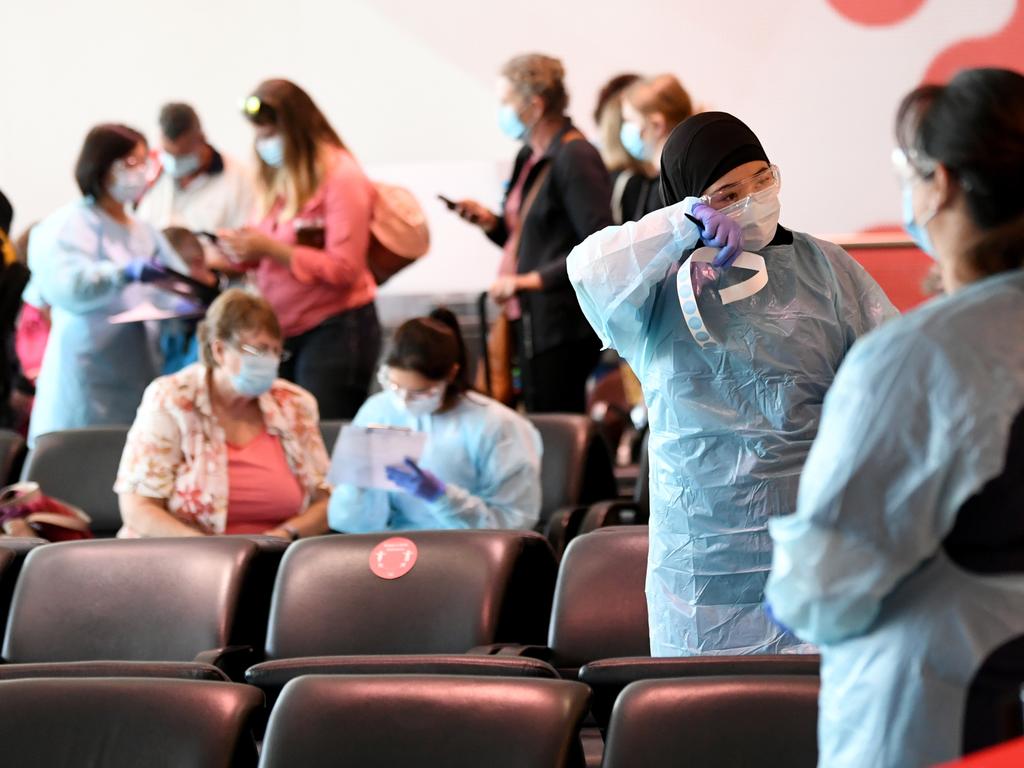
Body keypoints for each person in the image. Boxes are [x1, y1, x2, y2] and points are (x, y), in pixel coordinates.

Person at [765, 68, 1024, 768]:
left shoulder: (918, 358)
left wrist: (784, 591)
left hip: (944, 712)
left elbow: (826, 587)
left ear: (939, 182)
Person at [567, 111, 897, 657]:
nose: (752, 198)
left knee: (805, 709)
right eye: (726, 193)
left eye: (761, 179)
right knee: (703, 710)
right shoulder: (657, 290)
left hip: (810, 533)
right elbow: (588, 271)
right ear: (689, 200)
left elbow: (893, 373)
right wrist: (681, 226)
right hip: (701, 551)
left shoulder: (828, 271)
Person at [452, 53, 612, 413]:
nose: (500, 110)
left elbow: (599, 242)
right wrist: (491, 223)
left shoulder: (575, 156)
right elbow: (528, 238)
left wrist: (531, 281)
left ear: (535, 105)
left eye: (505, 101)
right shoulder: (530, 154)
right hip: (528, 319)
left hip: (561, 325)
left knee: (559, 423)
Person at [218, 79, 380, 420]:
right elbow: (269, 245)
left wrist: (272, 249)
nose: (264, 143)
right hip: (283, 331)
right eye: (259, 135)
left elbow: (344, 269)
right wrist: (241, 250)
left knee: (321, 434)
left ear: (296, 129)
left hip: (335, 330)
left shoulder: (341, 177)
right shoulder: (277, 179)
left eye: (271, 133)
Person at [115, 288, 330, 539]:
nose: (270, 361)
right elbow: (138, 509)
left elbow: (327, 501)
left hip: (274, 560)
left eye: (275, 352)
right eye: (258, 351)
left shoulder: (294, 404)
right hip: (179, 555)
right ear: (219, 350)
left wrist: (285, 534)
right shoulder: (171, 398)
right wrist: (214, 555)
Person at [26, 123, 184, 446]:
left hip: (138, 368)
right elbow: (66, 287)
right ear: (101, 166)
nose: (140, 173)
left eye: (144, 162)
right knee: (76, 464)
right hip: (87, 372)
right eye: (129, 164)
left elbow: (179, 281)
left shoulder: (144, 231)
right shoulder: (68, 225)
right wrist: (120, 273)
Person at [328, 308, 542, 533]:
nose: (403, 401)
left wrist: (443, 498)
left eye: (420, 392)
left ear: (451, 374)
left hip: (469, 550)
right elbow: (348, 523)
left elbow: (514, 521)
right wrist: (357, 488)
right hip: (393, 546)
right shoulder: (378, 410)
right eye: (395, 386)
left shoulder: (497, 425)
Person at [136, 103, 256, 236]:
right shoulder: (151, 171)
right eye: (169, 154)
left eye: (182, 156)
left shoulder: (239, 180)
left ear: (202, 139)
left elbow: (242, 241)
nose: (174, 163)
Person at [617, 74, 694, 222]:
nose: (625, 129)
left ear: (657, 125)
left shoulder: (666, 189)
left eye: (629, 121)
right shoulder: (664, 179)